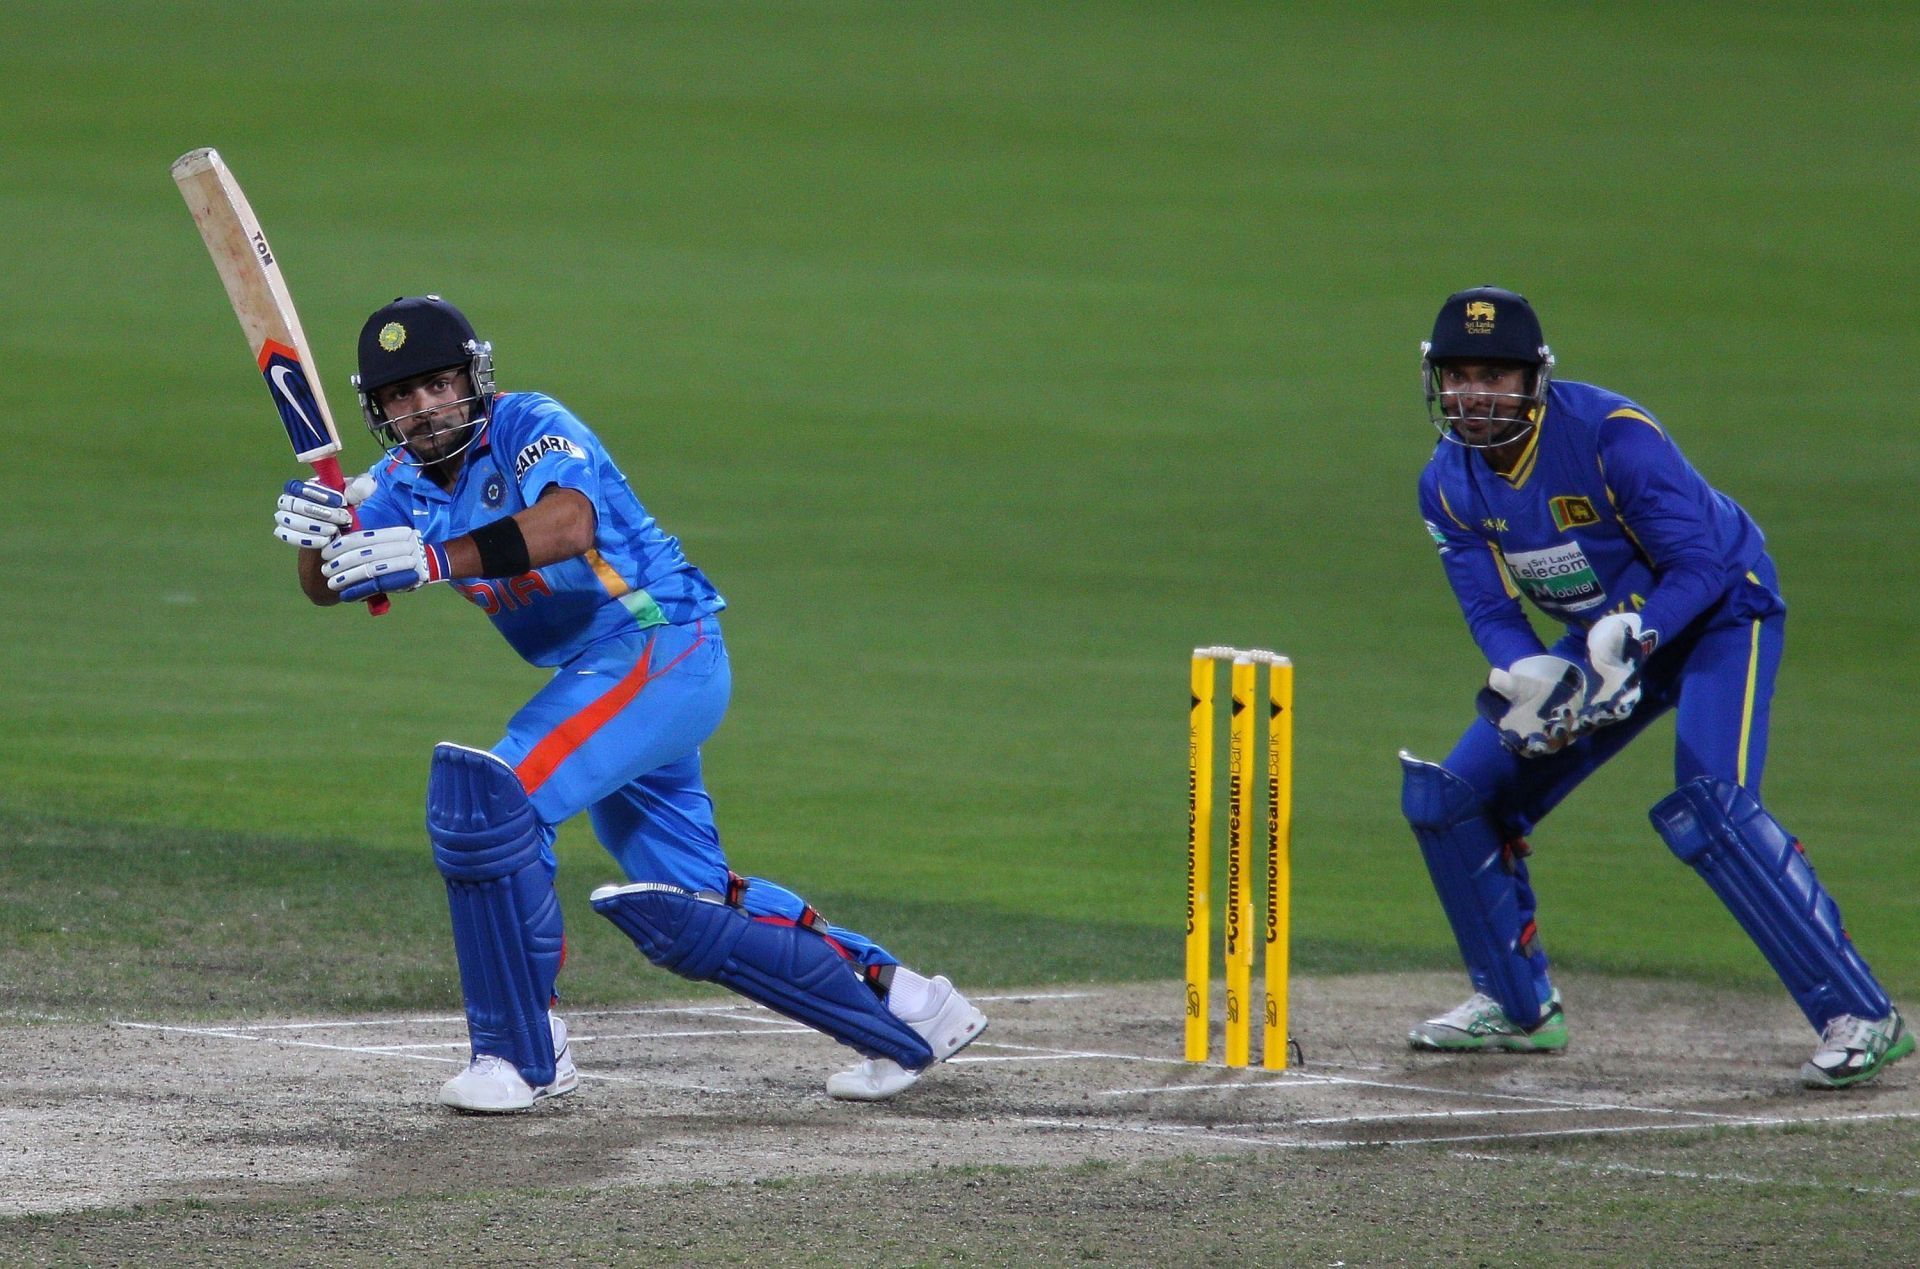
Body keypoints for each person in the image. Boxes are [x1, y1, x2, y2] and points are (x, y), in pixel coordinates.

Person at [271, 294, 986, 1111]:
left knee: (493, 799)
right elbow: (331, 585)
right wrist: (321, 534)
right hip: (608, 679)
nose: (423, 406)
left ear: (474, 376)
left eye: (438, 383)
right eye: (401, 395)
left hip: (659, 641)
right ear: (379, 410)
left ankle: (524, 1053)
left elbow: (569, 524)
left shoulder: (531, 424)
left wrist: (434, 560)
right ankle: (910, 1008)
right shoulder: (399, 483)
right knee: (697, 905)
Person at [1400, 285, 1911, 1089]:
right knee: (1451, 795)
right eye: (1459, 376)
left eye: (1494, 376)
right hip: (1598, 636)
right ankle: (1517, 1006)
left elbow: (1702, 562)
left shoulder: (1612, 438)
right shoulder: (1447, 483)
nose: (1474, 396)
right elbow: (1489, 607)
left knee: (1712, 800)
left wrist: (1635, 633)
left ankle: (1862, 1012)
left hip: (1717, 613)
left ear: (1534, 378)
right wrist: (1530, 670)